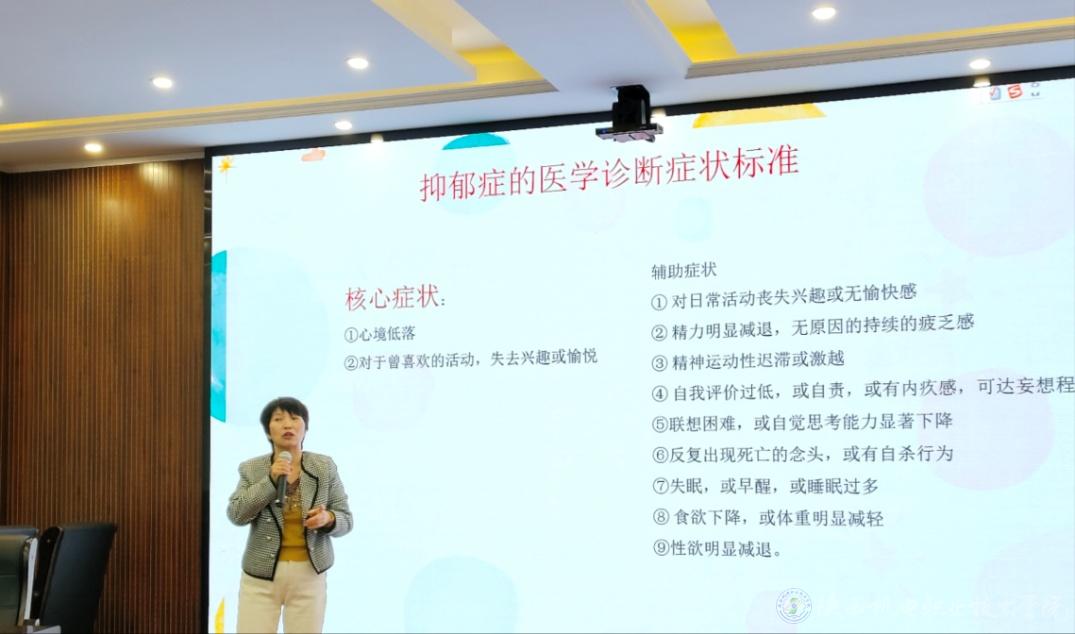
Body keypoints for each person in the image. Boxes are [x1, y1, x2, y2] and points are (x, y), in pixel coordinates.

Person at [227, 396, 352, 633]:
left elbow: (345, 518)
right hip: (261, 577)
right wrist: (270, 481)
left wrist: (328, 519)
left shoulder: (324, 467)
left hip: (309, 574)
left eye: (295, 418)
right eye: (278, 419)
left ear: (305, 428)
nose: (287, 425)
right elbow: (237, 514)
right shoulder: (252, 468)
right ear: (267, 431)